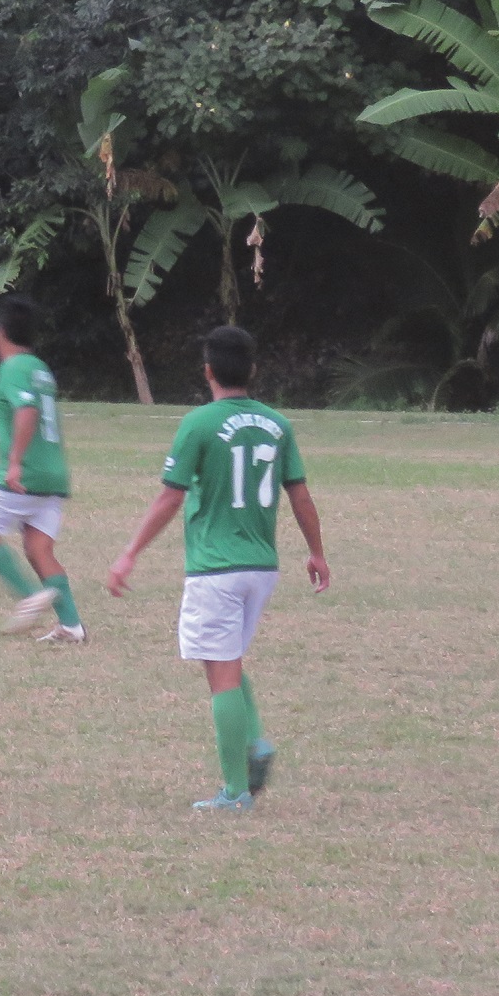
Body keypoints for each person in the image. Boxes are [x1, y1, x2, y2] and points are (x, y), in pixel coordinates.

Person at [105, 325, 330, 812]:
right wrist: (316, 551)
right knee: (227, 660)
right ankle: (255, 740)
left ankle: (236, 790)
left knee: (220, 675)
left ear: (207, 371)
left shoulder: (200, 423)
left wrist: (130, 553)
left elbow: (171, 495)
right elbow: (300, 493)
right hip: (262, 566)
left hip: (215, 567)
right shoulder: (277, 424)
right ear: (253, 370)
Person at [0, 296, 86, 641]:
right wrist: (2, 458)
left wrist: (13, 463)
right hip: (53, 475)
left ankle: (29, 597)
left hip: (25, 475)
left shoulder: (13, 368)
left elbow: (27, 411)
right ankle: (72, 626)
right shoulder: (39, 368)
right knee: (38, 548)